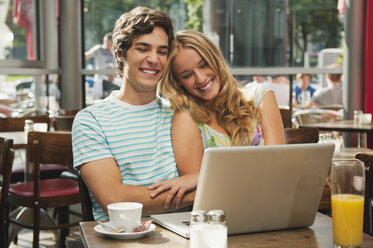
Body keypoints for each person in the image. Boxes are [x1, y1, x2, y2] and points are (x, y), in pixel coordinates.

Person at [72, 7, 195, 221]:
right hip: (122, 237)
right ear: (120, 53)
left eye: (162, 51)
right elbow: (114, 200)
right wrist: (191, 191)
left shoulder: (179, 114)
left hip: (183, 234)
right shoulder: (90, 121)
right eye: (143, 48)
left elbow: (201, 184)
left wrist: (200, 186)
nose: (154, 59)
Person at [148, 30, 285, 207]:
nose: (201, 78)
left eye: (204, 65)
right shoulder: (186, 119)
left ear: (215, 59)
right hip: (220, 217)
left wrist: (201, 176)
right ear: (178, 82)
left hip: (274, 206)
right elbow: (204, 196)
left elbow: (279, 167)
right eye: (187, 75)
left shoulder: (261, 97)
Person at [85, 32, 116, 99]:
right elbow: (87, 55)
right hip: (100, 80)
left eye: (108, 42)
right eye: (105, 41)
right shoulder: (99, 49)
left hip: (111, 81)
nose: (106, 44)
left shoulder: (114, 52)